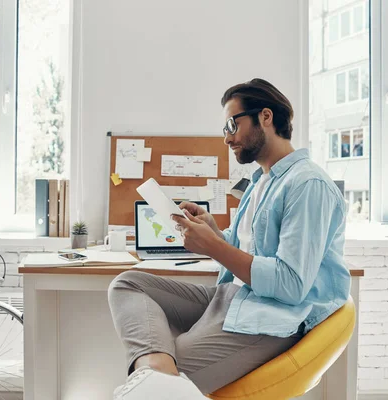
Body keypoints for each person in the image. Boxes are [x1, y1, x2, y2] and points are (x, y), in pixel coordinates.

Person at [109, 78, 351, 400]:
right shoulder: (260, 181)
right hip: (233, 296)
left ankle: (160, 381)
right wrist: (215, 233)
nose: (226, 138)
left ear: (265, 117)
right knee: (128, 284)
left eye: (231, 125)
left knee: (158, 377)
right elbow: (256, 253)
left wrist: (214, 247)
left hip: (272, 316)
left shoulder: (307, 184)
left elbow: (290, 284)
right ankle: (161, 377)